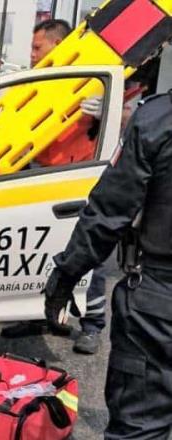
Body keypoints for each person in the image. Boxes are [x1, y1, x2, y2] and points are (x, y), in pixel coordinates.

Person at [43, 91, 172, 439]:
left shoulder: (157, 120)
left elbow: (110, 212)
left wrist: (66, 274)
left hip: (159, 305)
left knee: (140, 429)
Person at [0, 19, 108, 355]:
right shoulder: (42, 82)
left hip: (80, 178)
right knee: (37, 251)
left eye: (37, 48)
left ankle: (92, 325)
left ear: (59, 44)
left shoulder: (94, 81)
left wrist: (107, 114)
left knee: (88, 252)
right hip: (39, 176)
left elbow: (125, 127)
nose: (32, 55)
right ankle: (37, 315)